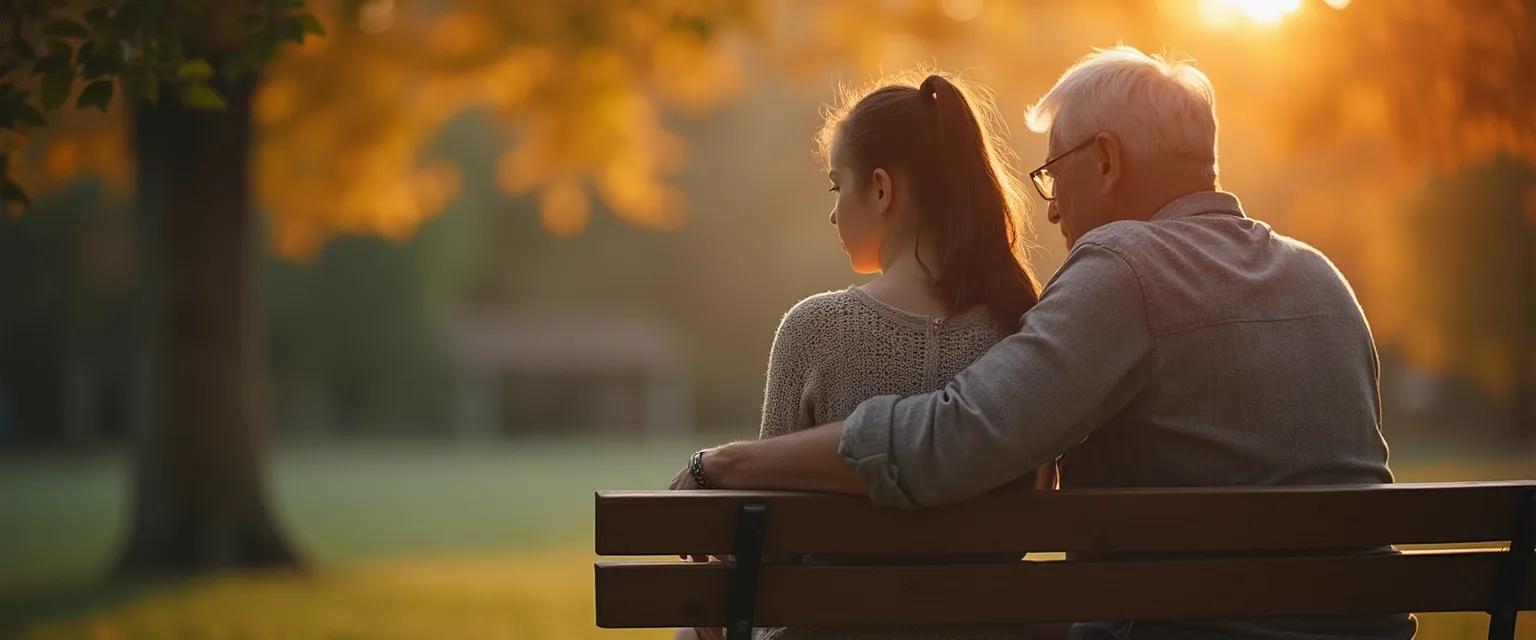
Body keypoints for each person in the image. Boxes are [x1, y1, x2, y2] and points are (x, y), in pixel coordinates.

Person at [673, 46, 1415, 640]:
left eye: (1054, 174)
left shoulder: (1124, 269)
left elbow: (952, 441)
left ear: (1106, 160)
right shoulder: (1323, 280)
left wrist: (726, 463)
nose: (1052, 211)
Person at [675, 71, 1052, 640]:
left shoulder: (816, 330)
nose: (832, 214)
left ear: (881, 189)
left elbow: (769, 542)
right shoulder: (1021, 330)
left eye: (836, 187)